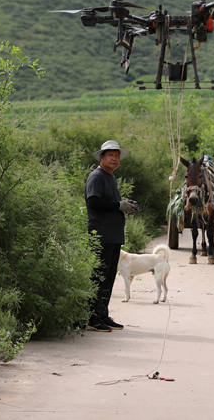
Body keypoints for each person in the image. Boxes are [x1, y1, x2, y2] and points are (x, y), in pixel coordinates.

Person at [84, 140, 137, 332]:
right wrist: (118, 205)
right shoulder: (96, 177)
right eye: (110, 155)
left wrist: (126, 206)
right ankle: (92, 318)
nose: (114, 158)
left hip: (113, 236)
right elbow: (94, 203)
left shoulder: (110, 178)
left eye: (117, 155)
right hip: (101, 235)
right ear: (101, 157)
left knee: (108, 277)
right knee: (98, 276)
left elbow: (111, 204)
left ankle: (103, 314)